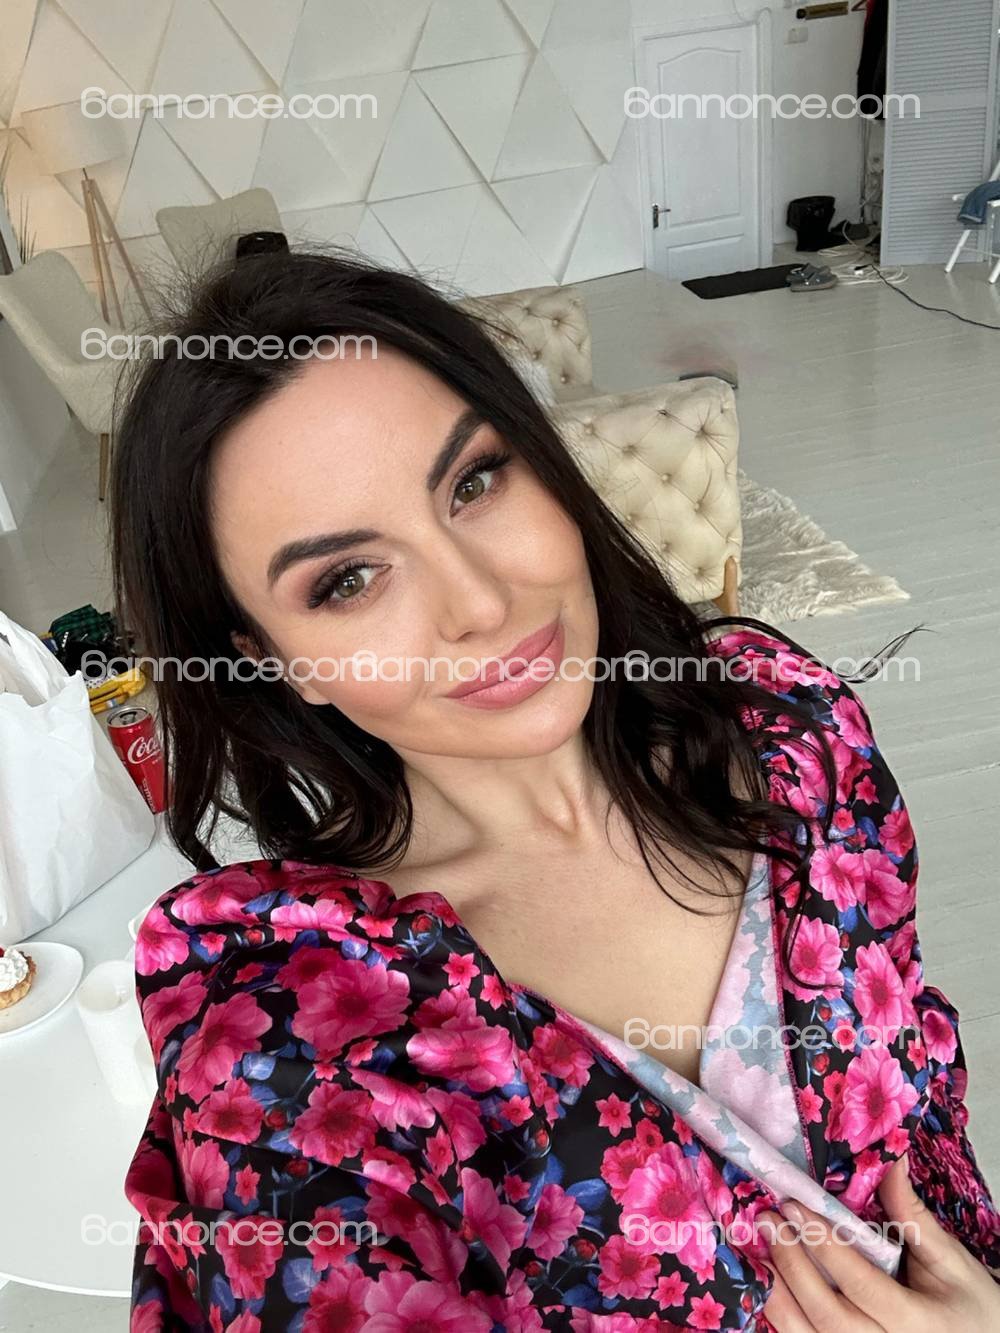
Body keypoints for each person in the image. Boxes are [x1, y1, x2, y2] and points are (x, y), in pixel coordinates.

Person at [111, 248, 1000, 1331]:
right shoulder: (297, 1036)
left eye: (473, 482)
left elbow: (919, 1078)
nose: (481, 603)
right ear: (273, 659)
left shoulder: (793, 733)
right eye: (347, 579)